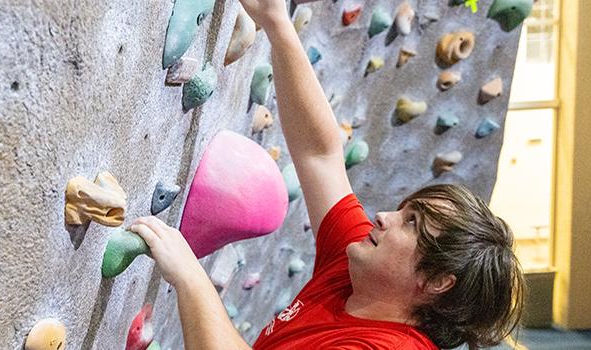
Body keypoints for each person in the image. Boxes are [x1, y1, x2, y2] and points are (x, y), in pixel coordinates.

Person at [129, 0, 526, 349]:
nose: (383, 218)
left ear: (438, 280)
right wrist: (276, 23)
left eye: (411, 223)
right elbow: (320, 155)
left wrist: (189, 276)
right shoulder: (360, 268)